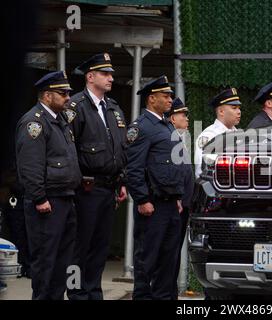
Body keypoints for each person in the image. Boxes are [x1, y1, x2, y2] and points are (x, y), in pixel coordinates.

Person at [65, 53, 128, 300]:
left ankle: (93, 292)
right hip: (86, 189)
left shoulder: (113, 108)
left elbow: (120, 149)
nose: (111, 78)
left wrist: (121, 181)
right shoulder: (76, 107)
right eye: (105, 73)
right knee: (80, 247)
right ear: (90, 77)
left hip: (108, 188)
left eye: (111, 74)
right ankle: (77, 293)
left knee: (100, 247)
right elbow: (69, 150)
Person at [15, 71, 81, 300]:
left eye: (69, 93)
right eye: (62, 93)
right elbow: (30, 166)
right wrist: (39, 198)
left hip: (64, 198)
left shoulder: (61, 121)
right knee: (45, 264)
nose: (67, 97)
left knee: (62, 263)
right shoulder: (35, 122)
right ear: (46, 95)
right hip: (47, 203)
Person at [126, 76, 184, 300]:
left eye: (170, 95)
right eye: (166, 96)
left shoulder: (165, 124)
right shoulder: (142, 127)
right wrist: (142, 199)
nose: (171, 99)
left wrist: (177, 196)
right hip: (152, 205)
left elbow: (172, 165)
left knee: (168, 262)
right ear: (152, 99)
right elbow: (134, 167)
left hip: (170, 204)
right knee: (147, 261)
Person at [166, 97, 194, 299]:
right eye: (183, 115)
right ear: (172, 118)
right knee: (167, 252)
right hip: (174, 202)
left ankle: (170, 292)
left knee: (174, 252)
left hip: (183, 202)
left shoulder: (181, 137)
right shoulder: (168, 138)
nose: (187, 118)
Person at [194, 88, 242, 178]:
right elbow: (201, 173)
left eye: (239, 108)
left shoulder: (239, 134)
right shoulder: (208, 136)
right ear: (221, 111)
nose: (239, 112)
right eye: (234, 108)